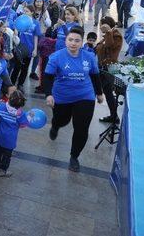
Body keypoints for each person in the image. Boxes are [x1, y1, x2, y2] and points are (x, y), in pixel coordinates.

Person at [43, 26, 104, 172]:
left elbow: (95, 75)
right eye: (70, 40)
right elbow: (48, 77)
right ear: (66, 41)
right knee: (62, 120)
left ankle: (74, 156)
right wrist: (48, 94)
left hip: (85, 96)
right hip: (62, 96)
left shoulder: (88, 57)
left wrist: (99, 93)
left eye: (77, 40)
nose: (73, 43)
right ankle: (56, 125)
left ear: (81, 42)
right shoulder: (56, 57)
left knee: (81, 128)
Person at [0, 90, 29, 177]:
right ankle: (3, 170)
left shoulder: (1, 107)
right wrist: (30, 117)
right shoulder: (20, 114)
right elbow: (23, 125)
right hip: (10, 139)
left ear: (10, 98)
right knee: (7, 156)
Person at [96, 16, 123, 123]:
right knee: (106, 92)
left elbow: (108, 45)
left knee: (108, 93)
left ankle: (114, 116)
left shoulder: (116, 35)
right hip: (103, 67)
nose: (100, 27)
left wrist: (108, 31)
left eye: (102, 25)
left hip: (111, 68)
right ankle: (114, 116)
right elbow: (99, 47)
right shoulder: (108, 35)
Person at [10, 5, 42, 91]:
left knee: (25, 68)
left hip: (29, 48)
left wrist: (35, 49)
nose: (25, 13)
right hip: (19, 47)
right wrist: (15, 31)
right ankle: (12, 84)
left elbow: (36, 36)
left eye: (27, 11)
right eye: (24, 11)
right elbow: (16, 30)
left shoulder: (36, 23)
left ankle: (20, 84)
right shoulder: (20, 20)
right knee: (17, 67)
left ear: (32, 12)